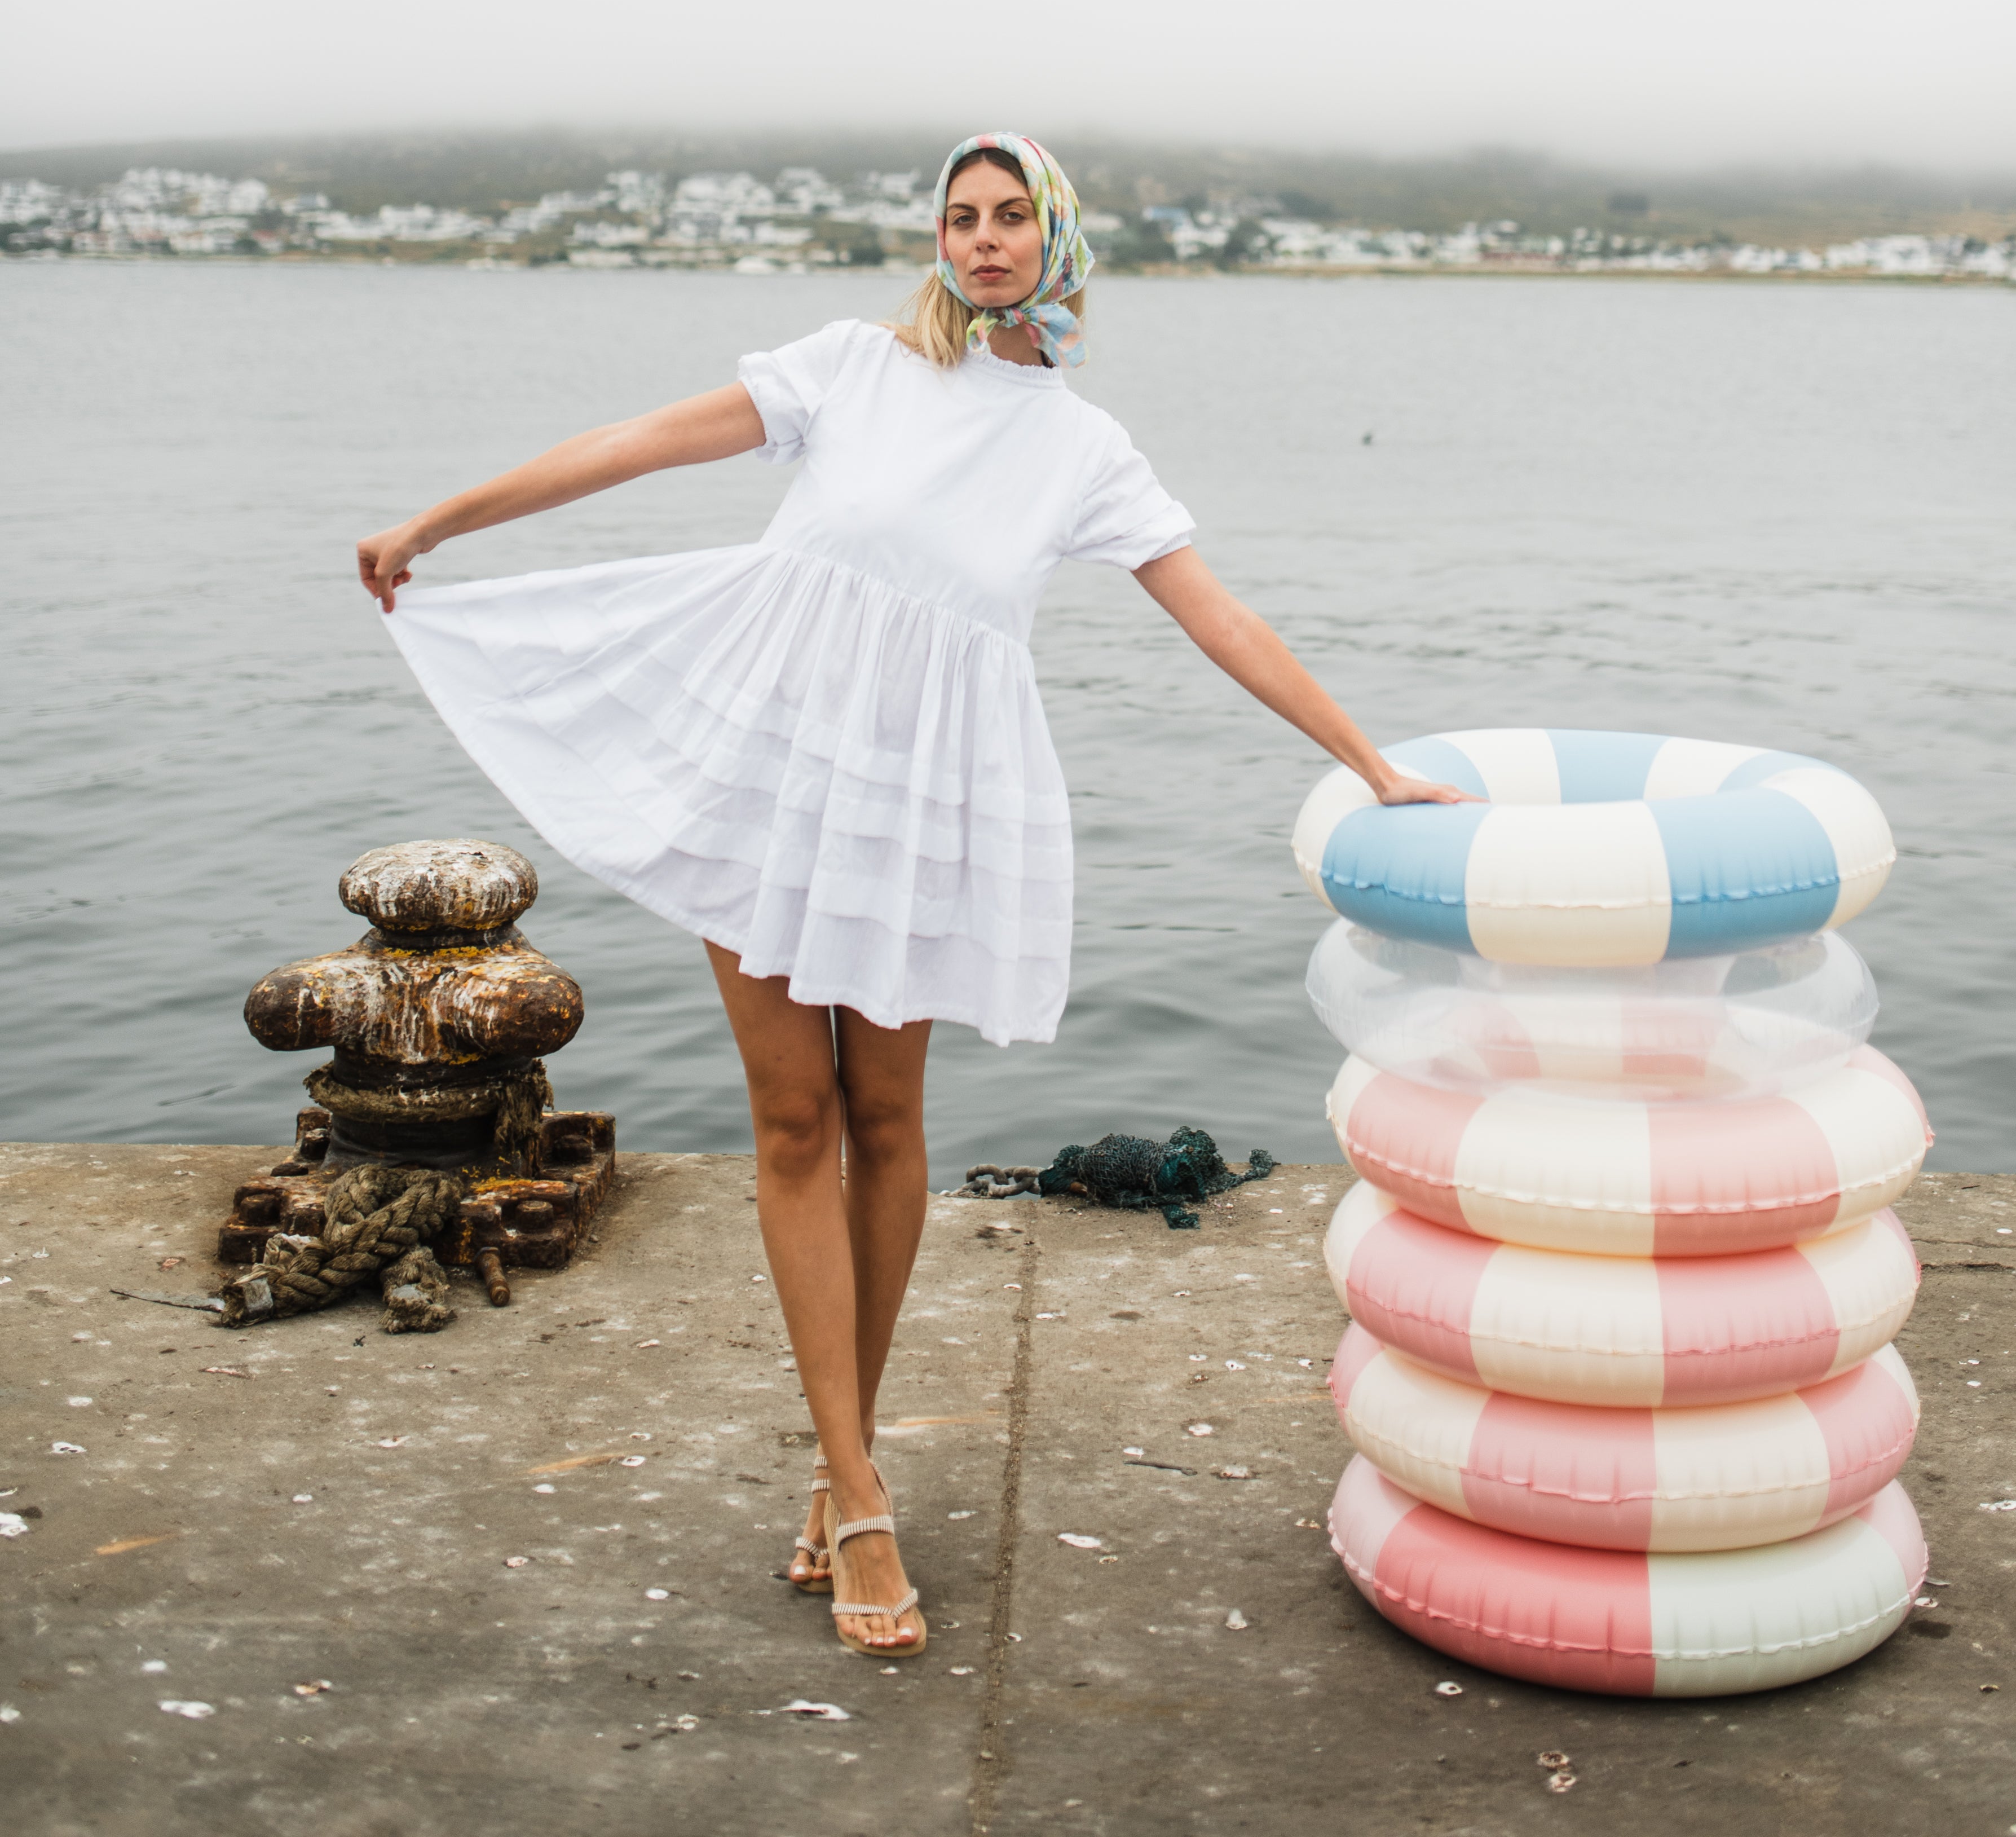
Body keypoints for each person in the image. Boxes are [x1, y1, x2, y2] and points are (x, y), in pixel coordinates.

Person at [358, 130, 1459, 1658]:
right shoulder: (850, 370)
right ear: (935, 237)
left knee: (884, 1122)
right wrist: (438, 525)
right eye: (962, 216)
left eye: (1013, 217)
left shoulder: (1084, 448)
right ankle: (861, 1494)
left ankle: (841, 1456)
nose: (986, 238)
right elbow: (641, 442)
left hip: (922, 810)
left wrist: (1372, 760)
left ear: (1056, 239)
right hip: (765, 779)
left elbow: (1220, 616)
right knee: (790, 1121)